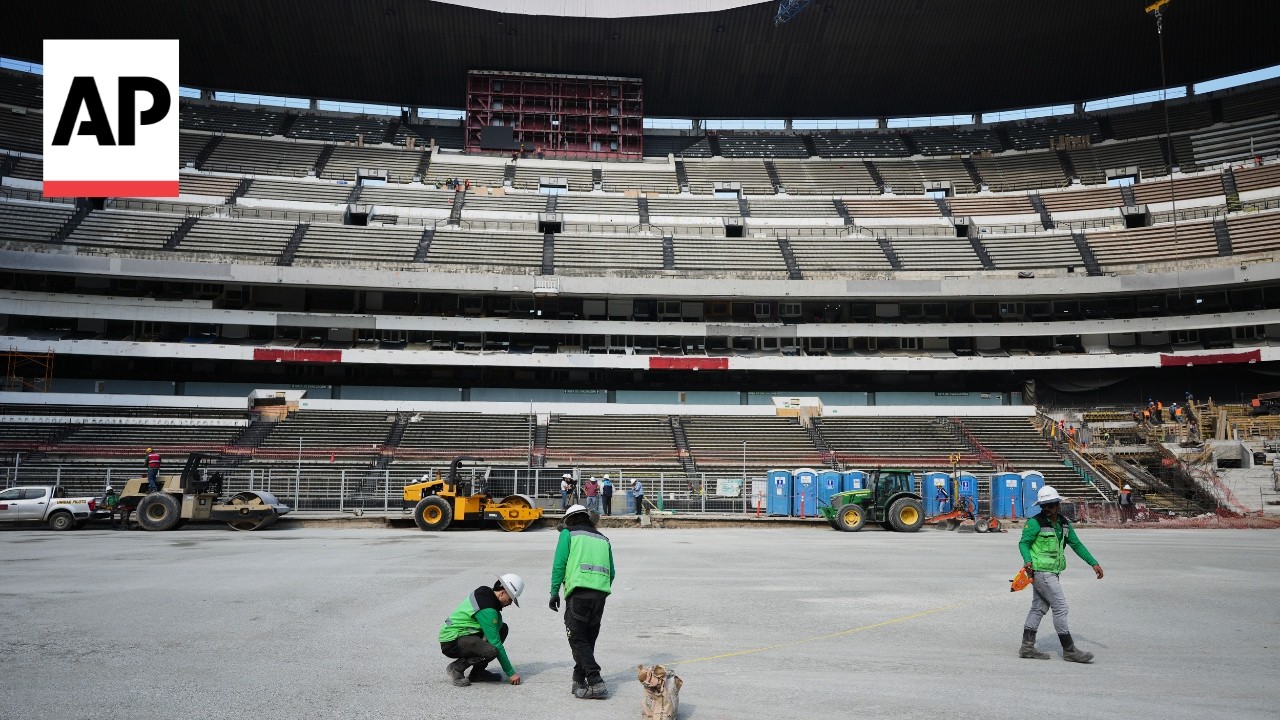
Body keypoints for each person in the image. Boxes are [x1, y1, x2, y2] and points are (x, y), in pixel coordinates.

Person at [1017, 485, 1104, 663]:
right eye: (1043, 506)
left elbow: (1076, 544)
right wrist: (1027, 560)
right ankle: (1069, 650)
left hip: (1053, 572)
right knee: (1061, 607)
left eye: (1050, 505)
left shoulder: (1064, 524)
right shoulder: (1035, 523)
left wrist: (1093, 562)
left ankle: (1027, 647)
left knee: (1039, 607)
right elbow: (1023, 543)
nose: (1046, 509)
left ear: (1058, 504)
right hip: (1041, 572)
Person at [549, 504, 615, 700]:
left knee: (577, 638)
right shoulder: (603, 538)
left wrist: (554, 592)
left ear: (569, 520)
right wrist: (600, 587)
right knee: (587, 637)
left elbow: (559, 564)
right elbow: (612, 572)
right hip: (600, 594)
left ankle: (595, 681)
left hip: (579, 593)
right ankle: (579, 678)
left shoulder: (568, 534)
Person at [439, 574, 525, 687]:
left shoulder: (485, 593)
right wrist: (511, 673)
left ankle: (477, 673)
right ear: (503, 593)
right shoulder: (488, 609)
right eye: (510, 599)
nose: (510, 603)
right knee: (492, 650)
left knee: (502, 629)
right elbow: (496, 643)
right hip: (451, 641)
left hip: (463, 635)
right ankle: (456, 668)